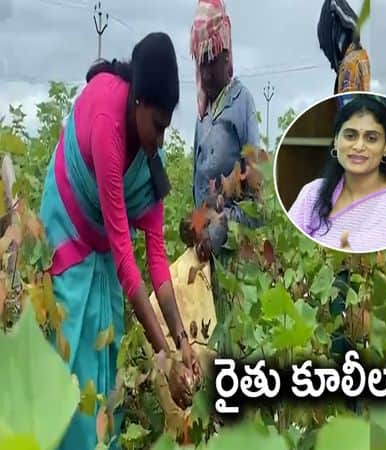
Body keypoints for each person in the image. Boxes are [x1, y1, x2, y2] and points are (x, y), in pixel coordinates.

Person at [39, 33, 200, 450]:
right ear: (139, 103)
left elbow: (157, 260)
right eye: (158, 126)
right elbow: (129, 266)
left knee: (107, 343)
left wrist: (182, 342)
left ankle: (101, 441)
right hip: (70, 224)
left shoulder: (150, 164)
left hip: (104, 242)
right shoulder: (110, 126)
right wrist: (164, 359)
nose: (161, 139)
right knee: (73, 345)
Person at [288, 95, 386, 252]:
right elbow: (288, 250)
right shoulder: (313, 192)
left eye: (371, 138)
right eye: (350, 136)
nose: (358, 146)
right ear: (336, 140)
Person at [190, 0, 261, 252]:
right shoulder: (202, 115)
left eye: (212, 61)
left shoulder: (242, 103)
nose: (206, 73)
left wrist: (221, 226)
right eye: (201, 63)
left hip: (235, 255)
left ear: (226, 56)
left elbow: (256, 203)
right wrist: (197, 226)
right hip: (205, 254)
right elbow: (197, 192)